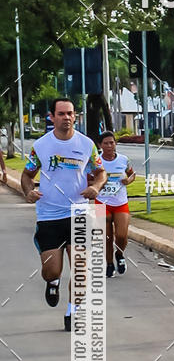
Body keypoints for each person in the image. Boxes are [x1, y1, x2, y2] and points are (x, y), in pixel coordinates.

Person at [21, 97, 106, 331]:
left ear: (75, 116)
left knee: (80, 267)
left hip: (79, 213)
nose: (66, 118)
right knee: (51, 270)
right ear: (52, 117)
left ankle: (73, 312)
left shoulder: (87, 144)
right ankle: (53, 282)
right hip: (49, 215)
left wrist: (95, 187)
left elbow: (100, 172)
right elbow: (27, 175)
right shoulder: (41, 146)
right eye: (61, 114)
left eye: (70, 113)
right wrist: (29, 191)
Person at [96, 131, 136, 276]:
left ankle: (119, 254)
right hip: (101, 203)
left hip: (120, 202)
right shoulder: (96, 161)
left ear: (115, 144)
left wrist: (128, 180)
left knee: (121, 235)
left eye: (111, 142)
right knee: (106, 237)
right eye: (105, 143)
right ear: (100, 145)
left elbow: (132, 174)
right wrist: (97, 184)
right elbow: (87, 178)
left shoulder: (123, 159)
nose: (109, 146)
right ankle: (109, 264)